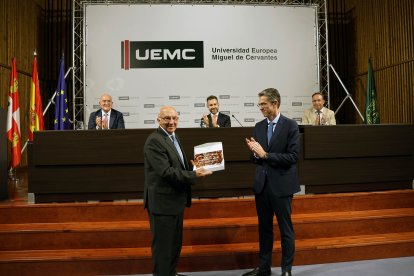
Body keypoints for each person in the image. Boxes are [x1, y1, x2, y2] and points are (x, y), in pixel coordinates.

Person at [144, 105, 212, 276]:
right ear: (158, 119)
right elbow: (166, 172)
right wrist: (193, 174)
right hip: (162, 204)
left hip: (174, 202)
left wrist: (192, 166)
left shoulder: (173, 137)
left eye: (174, 118)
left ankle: (171, 273)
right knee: (163, 249)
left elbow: (176, 165)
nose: (171, 122)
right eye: (167, 118)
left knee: (174, 246)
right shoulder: (154, 140)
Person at [244, 88, 300, 276]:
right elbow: (257, 159)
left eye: (263, 104)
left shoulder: (291, 125)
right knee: (264, 230)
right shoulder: (259, 126)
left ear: (275, 103)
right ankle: (264, 268)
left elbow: (292, 157)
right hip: (262, 186)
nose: (260, 108)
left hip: (282, 186)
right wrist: (254, 152)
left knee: (286, 230)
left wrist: (265, 154)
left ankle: (286, 270)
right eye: (259, 104)